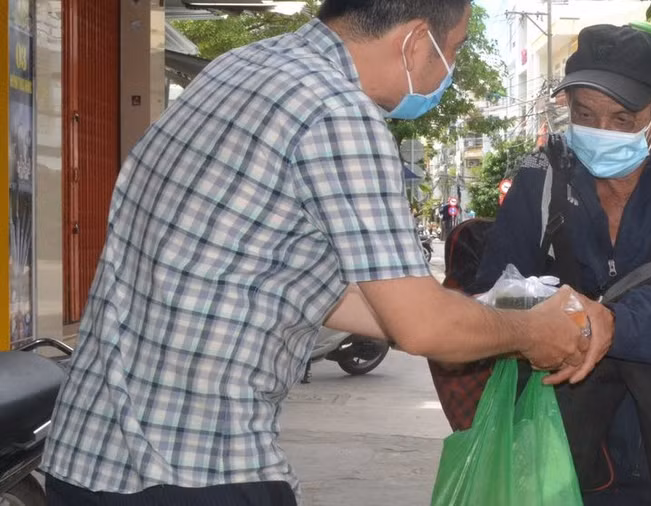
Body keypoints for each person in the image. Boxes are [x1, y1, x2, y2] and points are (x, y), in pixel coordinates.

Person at [40, 3, 613, 505]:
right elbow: (421, 327)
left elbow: (294, 282)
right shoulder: (338, 113)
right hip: (191, 464)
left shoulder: (242, 67)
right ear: (417, 41)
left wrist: (489, 313)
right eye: (455, 49)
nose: (450, 70)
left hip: (90, 451)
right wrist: (532, 332)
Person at [470, 24, 651, 505]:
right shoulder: (544, 172)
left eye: (623, 119)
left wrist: (614, 324)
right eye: (584, 114)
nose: (600, 132)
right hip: (567, 445)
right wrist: (541, 315)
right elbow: (496, 287)